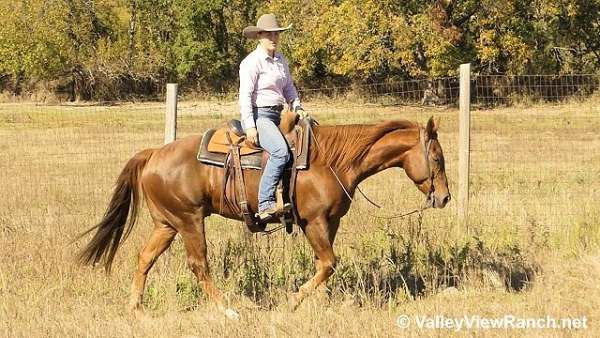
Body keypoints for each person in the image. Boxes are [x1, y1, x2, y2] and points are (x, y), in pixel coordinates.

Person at [239, 13, 307, 221]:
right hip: (261, 116)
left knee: (307, 142)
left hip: (281, 115)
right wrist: (250, 126)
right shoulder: (252, 62)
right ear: (259, 35)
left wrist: (298, 106)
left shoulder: (280, 60)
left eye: (276, 34)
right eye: (268, 34)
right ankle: (265, 202)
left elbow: (289, 89)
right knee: (280, 152)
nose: (273, 38)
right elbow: (245, 96)